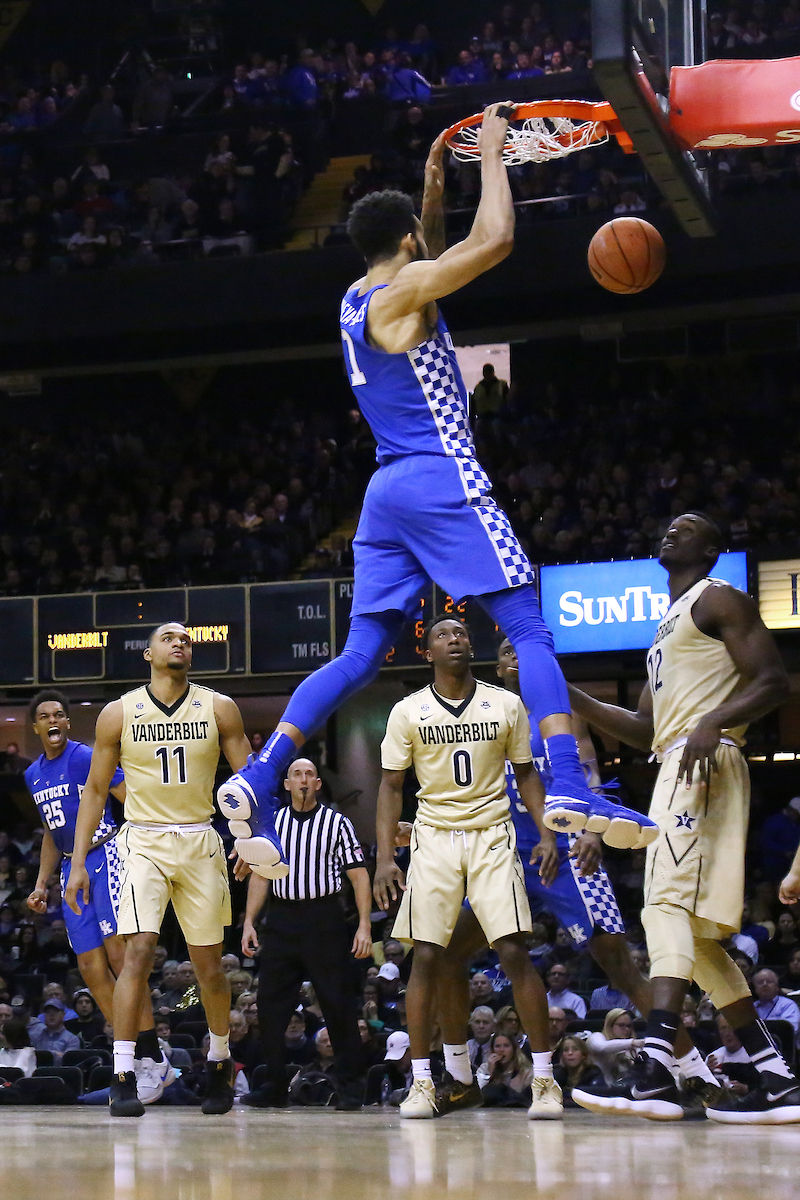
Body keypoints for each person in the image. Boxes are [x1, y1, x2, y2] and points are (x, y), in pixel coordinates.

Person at [216, 108, 656, 877]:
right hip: (439, 476)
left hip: (385, 492)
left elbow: (431, 257)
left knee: (359, 654)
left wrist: (431, 187)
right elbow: (492, 244)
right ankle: (570, 782)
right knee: (527, 626)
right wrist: (491, 156)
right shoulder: (404, 294)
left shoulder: (359, 295)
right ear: (411, 249)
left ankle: (258, 774)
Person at [567, 512, 800, 1123]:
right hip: (679, 758)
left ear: (714, 548)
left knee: (662, 908)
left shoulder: (718, 598)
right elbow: (645, 727)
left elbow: (774, 680)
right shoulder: (666, 627)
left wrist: (714, 720)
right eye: (668, 525)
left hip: (704, 762)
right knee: (692, 941)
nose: (672, 530)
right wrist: (570, 696)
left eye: (688, 527)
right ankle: (777, 1080)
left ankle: (657, 1074)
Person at [434, 636, 701, 1103]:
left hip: (570, 851)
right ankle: (461, 1076)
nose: (515, 656)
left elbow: (591, 780)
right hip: (509, 857)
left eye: (523, 650)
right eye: (505, 652)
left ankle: (696, 1072)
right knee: (449, 953)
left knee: (619, 965)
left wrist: (594, 834)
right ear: (497, 669)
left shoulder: (561, 715)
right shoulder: (484, 719)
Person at [374, 615, 562, 1121]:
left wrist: (546, 833)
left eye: (461, 633)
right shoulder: (407, 710)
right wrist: (385, 859)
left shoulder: (505, 704)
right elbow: (391, 787)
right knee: (427, 957)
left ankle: (544, 1080)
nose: (455, 639)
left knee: (512, 950)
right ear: (427, 652)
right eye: (443, 635)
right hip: (433, 837)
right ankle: (424, 1083)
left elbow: (525, 773)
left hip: (491, 832)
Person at [65, 622, 251, 1117]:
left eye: (186, 640)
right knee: (137, 951)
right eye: (169, 638)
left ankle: (218, 1063)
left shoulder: (219, 707)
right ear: (148, 654)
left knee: (208, 966)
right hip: (141, 839)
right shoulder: (118, 713)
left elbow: (251, 781)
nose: (180, 643)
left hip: (200, 837)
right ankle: (124, 1072)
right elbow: (97, 791)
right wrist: (80, 861)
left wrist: (253, 842)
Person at [23, 689, 167, 1102]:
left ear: (67, 723)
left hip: (107, 853)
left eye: (59, 714)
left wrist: (150, 844)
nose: (53, 719)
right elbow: (53, 833)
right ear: (36, 727)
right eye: (45, 715)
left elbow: (126, 795)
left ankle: (153, 1056)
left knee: (120, 956)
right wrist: (40, 883)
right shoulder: (33, 774)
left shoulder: (85, 756)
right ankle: (138, 1054)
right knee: (89, 967)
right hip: (71, 866)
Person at [239, 757, 373, 1109]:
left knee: (338, 1003)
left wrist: (363, 924)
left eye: (309, 774)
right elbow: (260, 874)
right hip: (281, 920)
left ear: (317, 784)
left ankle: (349, 1085)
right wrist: (250, 921)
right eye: (296, 774)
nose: (302, 779)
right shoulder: (271, 822)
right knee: (269, 1005)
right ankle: (274, 1083)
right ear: (286, 784)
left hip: (324, 918)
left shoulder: (337, 823)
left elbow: (358, 875)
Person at [585, 1009, 642, 1084]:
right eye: (621, 1025)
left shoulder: (634, 1047)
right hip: (601, 1088)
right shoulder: (596, 1037)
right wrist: (632, 1043)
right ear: (610, 1025)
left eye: (629, 1026)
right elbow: (602, 1047)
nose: (627, 1029)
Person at [477, 1032, 533, 1105]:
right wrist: (489, 1074)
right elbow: (478, 1094)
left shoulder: (526, 1071)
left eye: (506, 1046)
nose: (501, 1050)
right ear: (492, 1049)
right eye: (497, 1046)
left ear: (514, 1048)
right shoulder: (485, 1068)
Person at [555, 1035, 604, 1105]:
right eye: (565, 1050)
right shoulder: (557, 1073)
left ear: (584, 1054)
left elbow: (597, 1094)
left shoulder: (593, 1072)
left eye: (575, 1049)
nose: (570, 1053)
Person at [751, 969, 800, 1037]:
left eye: (769, 982)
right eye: (760, 982)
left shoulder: (787, 1005)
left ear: (777, 987)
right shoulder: (751, 1008)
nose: (765, 984)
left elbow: (791, 1030)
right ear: (755, 988)